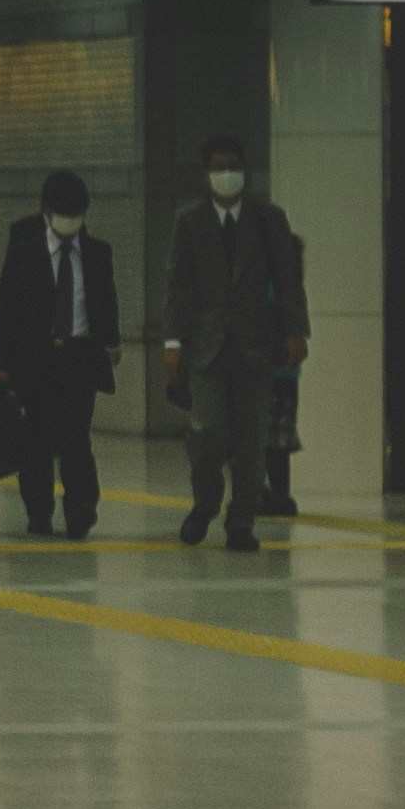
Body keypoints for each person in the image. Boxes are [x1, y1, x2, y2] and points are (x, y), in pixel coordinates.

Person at [161, 134, 307, 551]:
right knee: (209, 434)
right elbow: (177, 287)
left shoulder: (268, 219)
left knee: (251, 439)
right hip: (206, 349)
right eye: (219, 166)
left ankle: (241, 521)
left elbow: (287, 279)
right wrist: (172, 344)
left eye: (234, 166)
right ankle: (205, 502)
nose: (228, 174)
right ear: (205, 173)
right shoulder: (189, 222)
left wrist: (297, 330)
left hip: (256, 347)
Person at [0, 169, 119, 539]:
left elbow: (105, 300)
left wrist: (112, 341)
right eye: (63, 212)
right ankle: (39, 513)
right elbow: (5, 307)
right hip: (33, 357)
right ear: (46, 210)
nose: (69, 221)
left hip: (79, 356)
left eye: (77, 213)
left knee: (77, 437)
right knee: (35, 440)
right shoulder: (25, 249)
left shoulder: (96, 253)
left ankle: (81, 508)